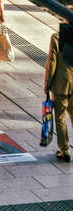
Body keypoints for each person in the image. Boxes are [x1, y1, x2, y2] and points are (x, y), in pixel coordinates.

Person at [44, 23, 73, 162]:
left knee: (60, 117)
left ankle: (65, 150)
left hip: (61, 85)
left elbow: (51, 64)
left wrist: (47, 85)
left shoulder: (56, 38)